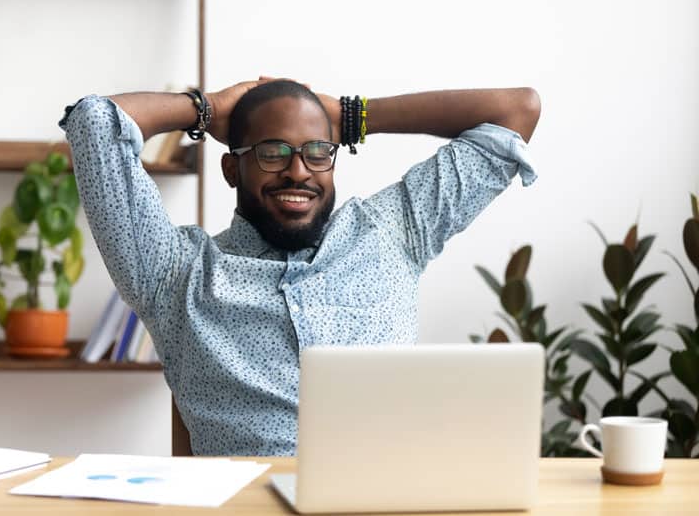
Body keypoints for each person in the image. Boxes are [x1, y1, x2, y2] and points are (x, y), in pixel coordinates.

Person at [58, 79, 541, 456]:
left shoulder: (393, 231)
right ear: (232, 169)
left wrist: (349, 116)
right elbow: (95, 122)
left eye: (317, 152)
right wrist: (207, 110)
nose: (298, 171)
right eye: (271, 153)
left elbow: (515, 111)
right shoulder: (172, 273)